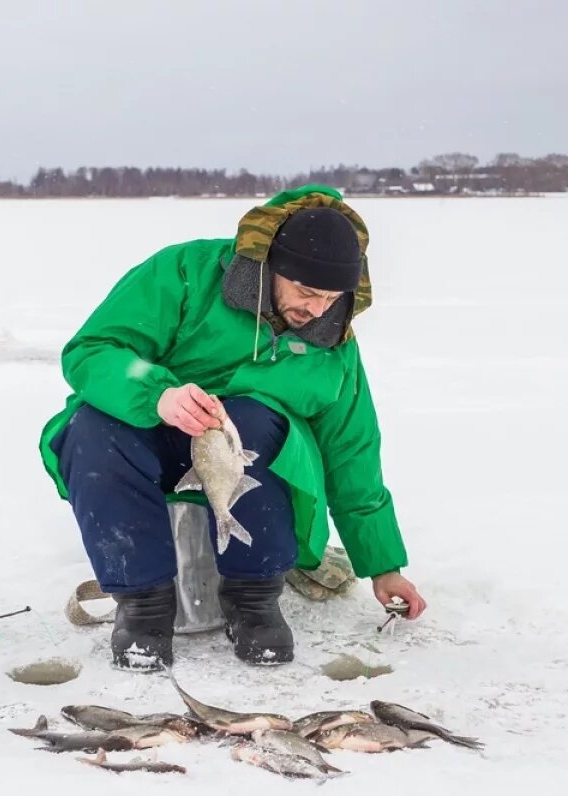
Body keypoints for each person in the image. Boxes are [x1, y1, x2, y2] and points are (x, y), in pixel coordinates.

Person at [38, 184, 426, 672]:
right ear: (269, 265)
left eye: (332, 297)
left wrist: (383, 566)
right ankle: (143, 607)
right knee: (93, 427)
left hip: (252, 458)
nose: (318, 309)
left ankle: (254, 599)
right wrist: (157, 395)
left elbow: (353, 452)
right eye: (306, 291)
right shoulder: (185, 273)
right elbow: (92, 350)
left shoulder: (334, 342)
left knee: (254, 416)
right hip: (154, 433)